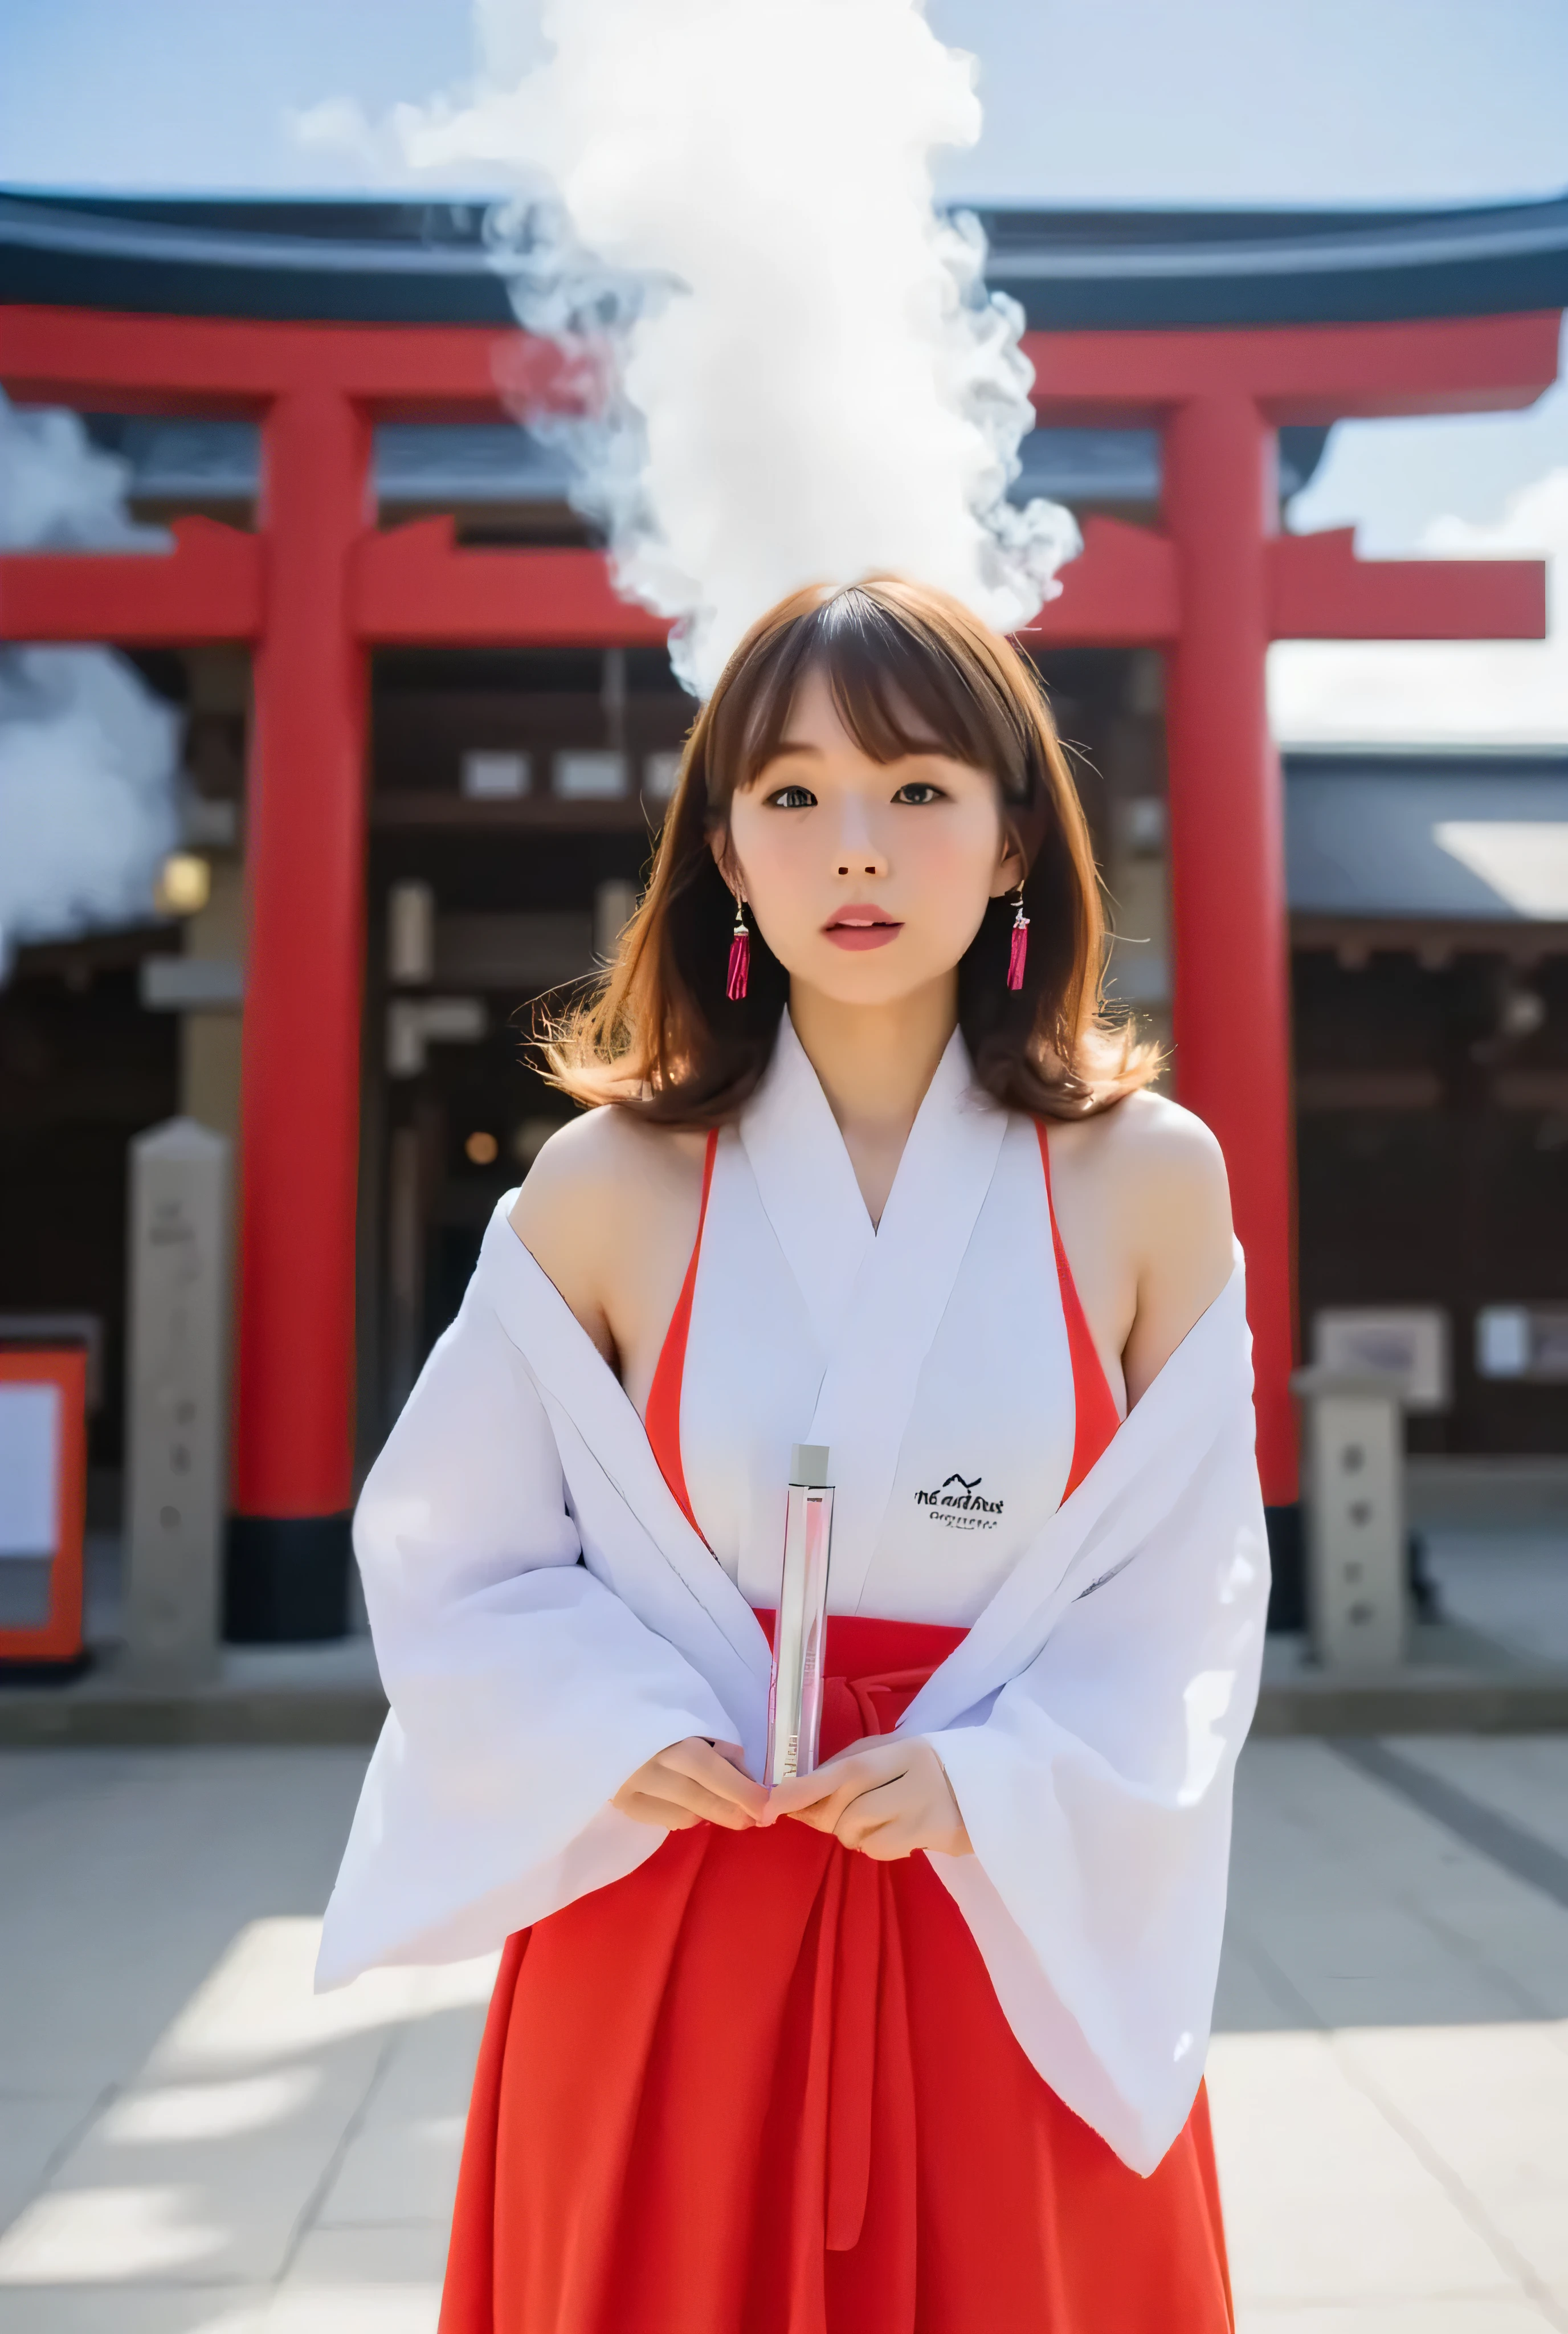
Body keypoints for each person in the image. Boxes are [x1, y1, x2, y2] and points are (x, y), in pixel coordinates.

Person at [318, 576, 1269, 2333]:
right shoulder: (608, 1186)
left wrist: (995, 1783)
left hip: (1006, 1889)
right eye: (792, 796)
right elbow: (453, 1549)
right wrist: (611, 1727)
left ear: (1011, 849)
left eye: (917, 792)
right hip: (684, 1895)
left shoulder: (1149, 1178)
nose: (855, 849)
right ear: (724, 853)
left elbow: (1190, 1589)